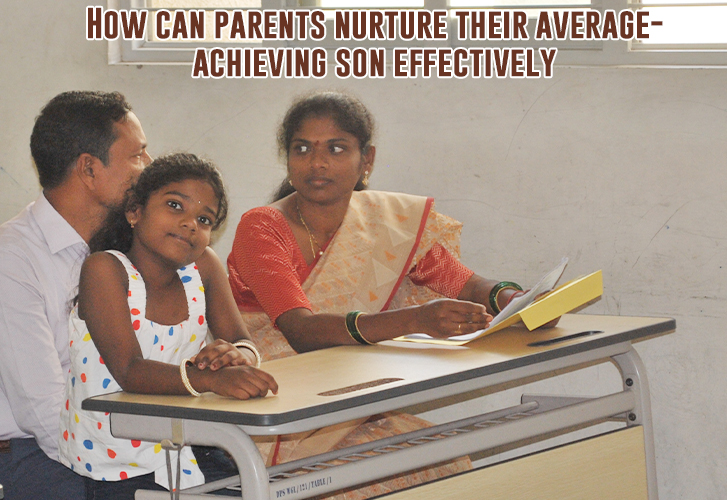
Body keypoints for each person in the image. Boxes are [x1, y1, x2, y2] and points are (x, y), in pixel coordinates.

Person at [226, 91, 544, 498]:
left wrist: (510, 298)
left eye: (336, 149)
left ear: (367, 160)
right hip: (276, 413)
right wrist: (415, 320)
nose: (317, 163)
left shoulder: (387, 224)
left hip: (354, 404)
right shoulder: (263, 228)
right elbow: (301, 332)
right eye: (302, 148)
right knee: (360, 482)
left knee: (446, 460)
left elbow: (462, 282)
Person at [58, 153, 278, 500]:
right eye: (175, 205)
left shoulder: (203, 267)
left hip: (192, 444)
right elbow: (129, 371)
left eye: (205, 219)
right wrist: (210, 378)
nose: (191, 223)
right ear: (135, 211)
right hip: (120, 464)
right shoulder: (105, 270)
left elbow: (243, 341)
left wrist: (235, 355)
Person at [0, 91, 151, 500]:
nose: (149, 168)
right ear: (89, 168)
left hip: (127, 436)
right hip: (39, 454)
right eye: (138, 155)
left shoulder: (132, 242)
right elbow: (42, 408)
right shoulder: (13, 258)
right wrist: (123, 463)